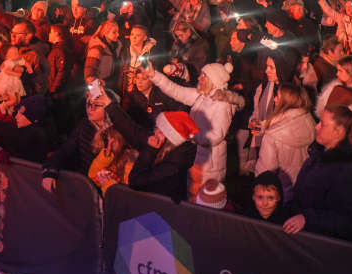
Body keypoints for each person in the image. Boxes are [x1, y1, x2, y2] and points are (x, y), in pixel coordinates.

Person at [146, 61, 244, 198]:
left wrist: (190, 135)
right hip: (196, 158)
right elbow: (175, 90)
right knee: (193, 196)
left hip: (210, 164)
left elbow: (216, 136)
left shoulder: (223, 104)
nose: (199, 78)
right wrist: (155, 76)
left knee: (207, 201)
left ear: (213, 80)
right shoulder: (202, 96)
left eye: (203, 76)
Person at [283, 104, 352, 240]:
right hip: (303, 238)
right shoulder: (317, 156)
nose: (316, 127)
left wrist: (307, 219)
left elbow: (349, 220)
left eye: (322, 124)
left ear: (338, 132)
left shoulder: (348, 169)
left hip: (322, 245)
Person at [105, 103, 199, 202]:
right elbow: (132, 131)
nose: (155, 133)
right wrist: (109, 105)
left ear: (170, 139)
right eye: (156, 128)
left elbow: (136, 182)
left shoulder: (174, 165)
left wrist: (150, 150)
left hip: (163, 210)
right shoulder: (161, 143)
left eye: (161, 131)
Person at [254, 83, 316, 199]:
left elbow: (265, 171)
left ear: (286, 101)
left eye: (277, 96)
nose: (274, 99)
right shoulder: (310, 121)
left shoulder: (272, 136)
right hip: (305, 184)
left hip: (281, 190)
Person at [87, 126, 138, 195]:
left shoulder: (130, 163)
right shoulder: (107, 157)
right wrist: (106, 155)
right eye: (108, 140)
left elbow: (124, 195)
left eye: (112, 140)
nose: (109, 143)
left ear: (121, 141)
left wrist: (107, 183)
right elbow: (92, 176)